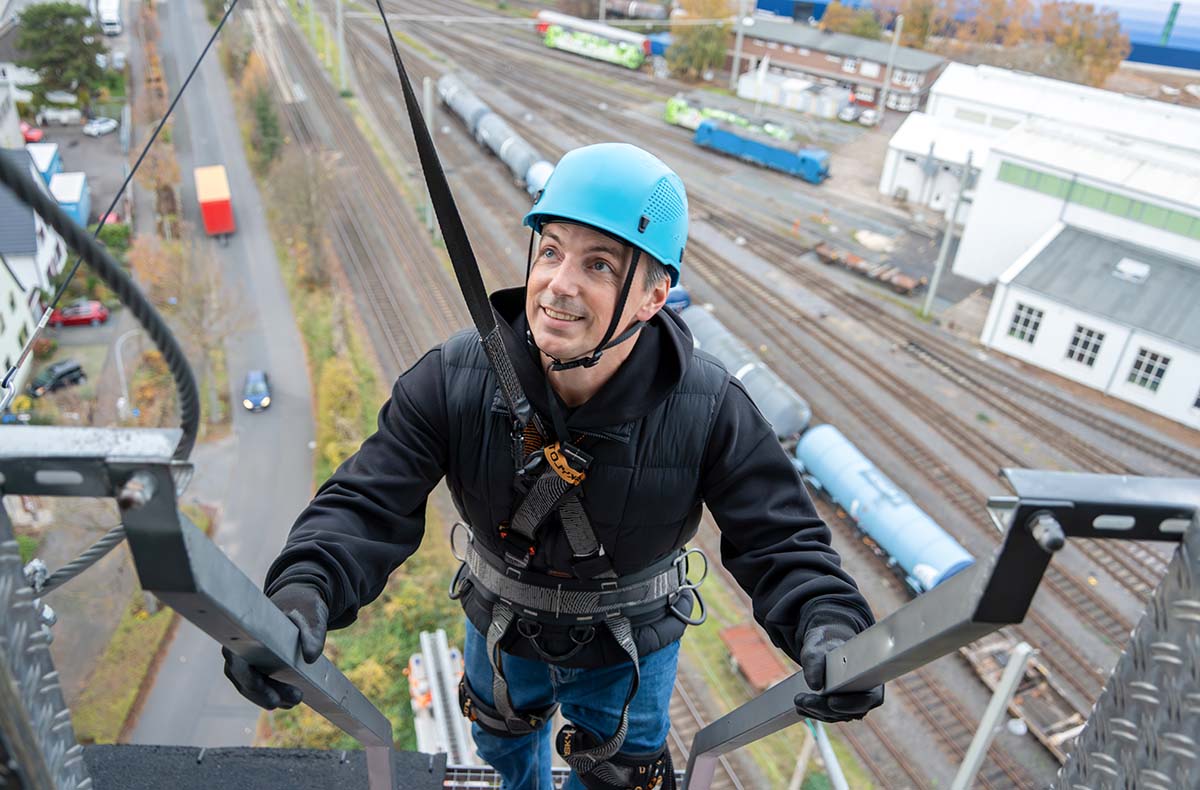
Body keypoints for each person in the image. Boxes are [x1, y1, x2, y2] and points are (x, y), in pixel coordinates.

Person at [222, 143, 884, 789]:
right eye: (551, 251)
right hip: (499, 627)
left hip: (628, 645)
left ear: (654, 297)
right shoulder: (454, 379)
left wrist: (828, 626)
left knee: (619, 775)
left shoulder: (709, 410)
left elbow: (781, 541)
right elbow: (366, 504)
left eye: (598, 265)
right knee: (502, 744)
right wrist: (298, 596)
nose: (559, 285)